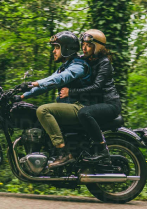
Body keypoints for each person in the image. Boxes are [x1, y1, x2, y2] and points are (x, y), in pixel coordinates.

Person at [17, 31, 91, 169]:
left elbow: (62, 78)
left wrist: (34, 83)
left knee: (43, 110)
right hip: (71, 107)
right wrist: (20, 96)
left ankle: (63, 153)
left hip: (80, 107)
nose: (53, 51)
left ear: (66, 48)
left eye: (56, 47)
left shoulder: (78, 65)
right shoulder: (64, 67)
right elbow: (46, 85)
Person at [59, 29, 122, 164]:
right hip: (96, 103)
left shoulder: (104, 62)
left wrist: (71, 92)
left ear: (97, 47)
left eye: (88, 45)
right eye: (83, 45)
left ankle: (102, 149)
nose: (84, 48)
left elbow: (96, 87)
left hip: (110, 104)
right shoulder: (87, 60)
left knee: (84, 113)